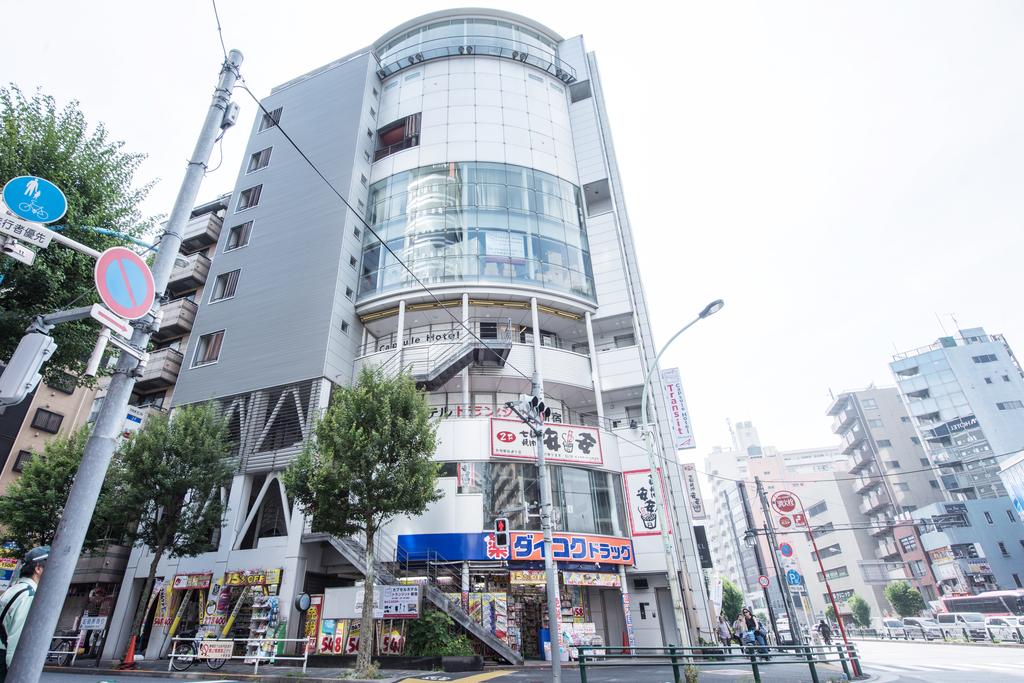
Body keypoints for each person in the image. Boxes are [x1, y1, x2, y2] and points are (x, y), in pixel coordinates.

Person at [0, 546, 49, 680]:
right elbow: (17, 638)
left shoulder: (15, 589)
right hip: (4, 660)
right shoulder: (29, 595)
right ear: (38, 569)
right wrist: (16, 673)